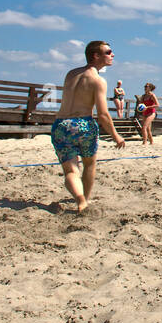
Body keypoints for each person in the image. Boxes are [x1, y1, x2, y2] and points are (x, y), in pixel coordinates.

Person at [51, 41, 125, 212]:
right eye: (108, 52)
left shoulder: (71, 74)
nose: (112, 55)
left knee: (71, 170)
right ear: (95, 56)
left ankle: (80, 199)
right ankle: (86, 199)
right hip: (83, 124)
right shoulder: (98, 80)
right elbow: (103, 114)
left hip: (61, 124)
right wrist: (116, 136)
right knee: (89, 164)